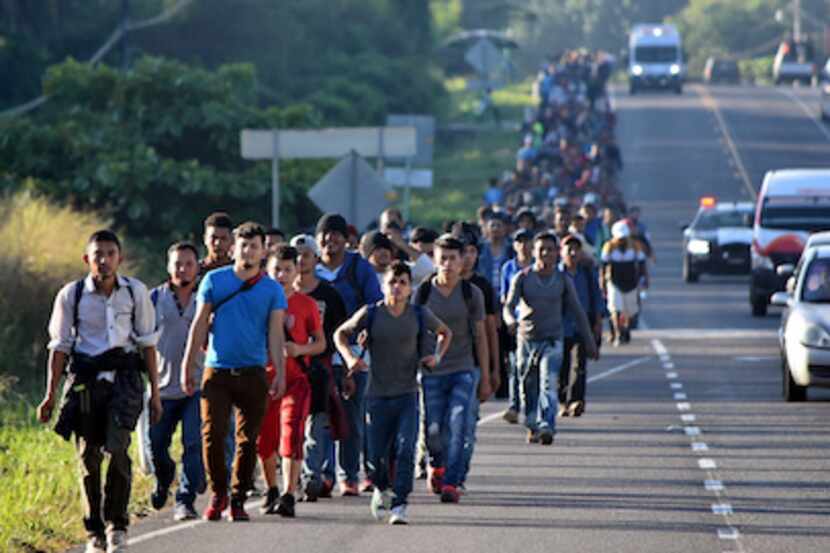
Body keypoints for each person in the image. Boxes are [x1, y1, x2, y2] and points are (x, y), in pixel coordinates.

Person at [40, 230, 161, 553]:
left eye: (110, 253)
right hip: (85, 385)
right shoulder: (72, 295)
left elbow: (148, 344)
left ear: (119, 258)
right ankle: (93, 530)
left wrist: (156, 394)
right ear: (87, 259)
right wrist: (50, 395)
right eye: (98, 255)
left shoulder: (135, 293)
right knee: (88, 458)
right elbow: (60, 348)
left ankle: (117, 527)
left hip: (124, 383)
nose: (104, 260)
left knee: (118, 452)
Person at [181, 222, 287, 522]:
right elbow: (199, 324)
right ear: (233, 248)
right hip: (217, 371)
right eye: (243, 245)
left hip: (254, 371)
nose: (248, 251)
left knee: (247, 439)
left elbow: (276, 334)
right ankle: (218, 493)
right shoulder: (214, 280)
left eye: (254, 246)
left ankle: (238, 498)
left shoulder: (272, 289)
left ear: (263, 251)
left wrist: (279, 372)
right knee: (212, 434)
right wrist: (187, 366)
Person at [335, 261, 451, 524]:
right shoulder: (372, 313)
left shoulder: (419, 314)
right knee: (375, 456)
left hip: (407, 394)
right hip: (376, 395)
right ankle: (381, 488)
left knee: (405, 449)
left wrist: (436, 357)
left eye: (402, 283)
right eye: (392, 282)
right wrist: (350, 357)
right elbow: (340, 333)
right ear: (382, 286)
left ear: (410, 288)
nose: (396, 287)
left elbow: (445, 333)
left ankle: (400, 504)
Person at [414, 234, 491, 503]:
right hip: (431, 372)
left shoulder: (472, 294)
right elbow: (411, 331)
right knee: (433, 429)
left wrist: (487, 376)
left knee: (459, 424)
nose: (447, 264)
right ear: (434, 260)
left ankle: (452, 482)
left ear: (462, 263)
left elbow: (480, 336)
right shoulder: (422, 293)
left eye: (452, 258)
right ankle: (437, 464)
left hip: (463, 369)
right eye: (442, 258)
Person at [503, 231, 598, 445]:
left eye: (551, 249)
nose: (546, 253)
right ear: (534, 252)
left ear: (557, 253)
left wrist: (590, 341)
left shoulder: (563, 280)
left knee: (548, 382)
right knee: (528, 384)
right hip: (526, 340)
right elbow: (508, 306)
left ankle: (547, 425)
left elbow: (578, 311)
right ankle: (532, 424)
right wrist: (510, 320)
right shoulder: (523, 278)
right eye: (542, 249)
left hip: (553, 340)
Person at [314, 213, 383, 495]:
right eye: (325, 236)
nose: (330, 241)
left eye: (336, 235)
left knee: (352, 415)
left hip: (354, 351)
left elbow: (374, 304)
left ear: (346, 239)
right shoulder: (311, 269)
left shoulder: (359, 269)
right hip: (317, 352)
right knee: (322, 415)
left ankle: (349, 474)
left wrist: (368, 334)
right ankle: (324, 473)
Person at [258, 246, 325, 517]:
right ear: (267, 271)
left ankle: (288, 492)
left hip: (296, 381)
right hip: (263, 379)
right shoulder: (259, 301)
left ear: (297, 271)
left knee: (292, 435)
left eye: (287, 269)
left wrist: (300, 350)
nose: (282, 275)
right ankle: (271, 488)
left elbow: (321, 343)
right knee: (265, 438)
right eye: (277, 270)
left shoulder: (306, 304)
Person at [148, 242, 205, 522]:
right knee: (156, 444)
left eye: (188, 263)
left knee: (193, 444)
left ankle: (185, 499)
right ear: (168, 267)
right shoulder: (153, 299)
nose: (183, 269)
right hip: (162, 388)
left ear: (197, 266)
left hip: (197, 386)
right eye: (177, 264)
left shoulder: (206, 298)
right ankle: (163, 478)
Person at [290, 234, 348, 502]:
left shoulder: (329, 294)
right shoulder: (279, 294)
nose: (301, 260)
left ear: (316, 258)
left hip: (320, 368)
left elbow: (339, 334)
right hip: (287, 368)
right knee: (292, 426)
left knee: (318, 424)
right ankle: (295, 478)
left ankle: (313, 476)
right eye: (296, 255)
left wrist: (343, 368)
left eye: (306, 254)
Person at [454, 225, 501, 490]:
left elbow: (490, 332)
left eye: (472, 251)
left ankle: (456, 477)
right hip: (441, 366)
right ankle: (436, 465)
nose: (468, 257)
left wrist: (493, 370)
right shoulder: (432, 287)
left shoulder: (481, 287)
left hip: (472, 365)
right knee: (438, 427)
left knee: (467, 425)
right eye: (463, 251)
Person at [558, 236, 604, 417]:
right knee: (562, 366)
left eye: (576, 249)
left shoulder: (587, 273)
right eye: (568, 249)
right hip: (560, 327)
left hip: (582, 327)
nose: (572, 253)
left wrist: (598, 324)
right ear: (561, 252)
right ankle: (562, 402)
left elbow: (597, 299)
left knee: (580, 365)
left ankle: (577, 400)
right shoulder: (557, 274)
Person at [499, 229, 534, 424]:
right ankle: (514, 405)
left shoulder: (539, 267)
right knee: (514, 366)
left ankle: (531, 407)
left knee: (531, 370)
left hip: (534, 325)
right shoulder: (508, 268)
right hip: (515, 323)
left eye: (527, 241)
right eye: (519, 242)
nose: (524, 245)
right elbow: (504, 297)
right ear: (514, 245)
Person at [601, 221, 647, 346]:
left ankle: (625, 329)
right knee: (615, 309)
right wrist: (603, 283)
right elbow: (603, 266)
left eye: (624, 238)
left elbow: (642, 264)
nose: (621, 240)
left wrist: (644, 279)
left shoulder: (635, 246)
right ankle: (617, 333)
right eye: (619, 238)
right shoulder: (609, 246)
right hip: (614, 281)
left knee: (629, 311)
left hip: (631, 282)